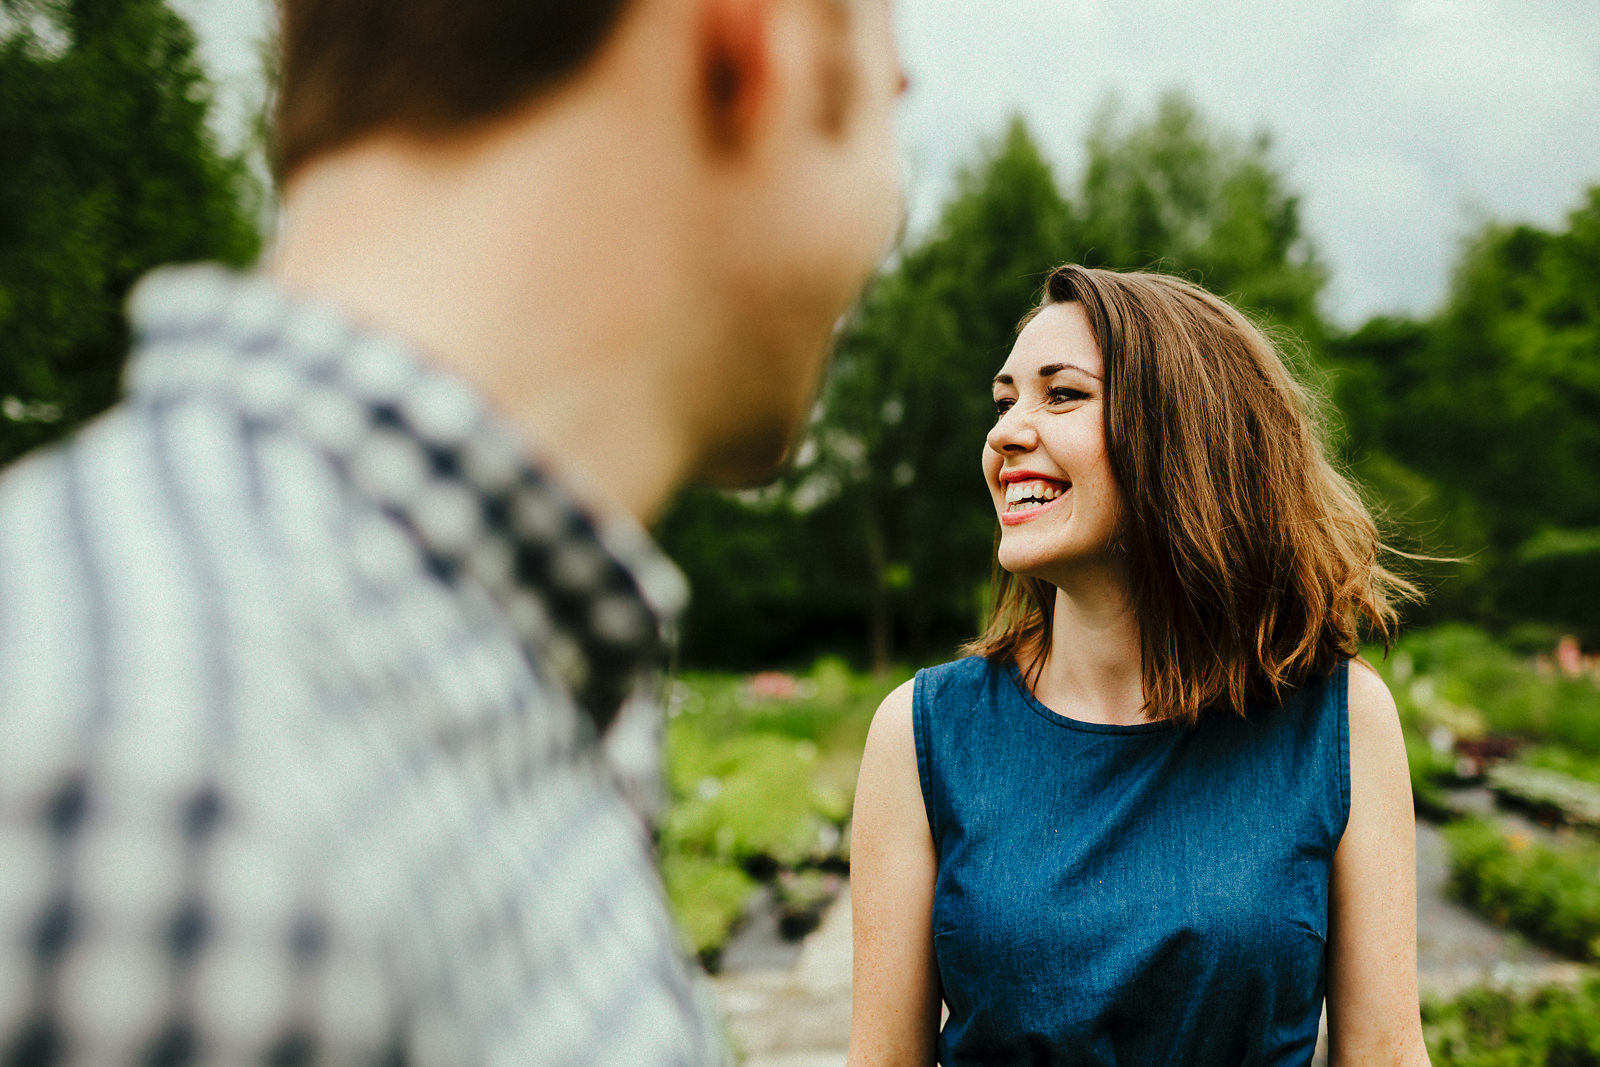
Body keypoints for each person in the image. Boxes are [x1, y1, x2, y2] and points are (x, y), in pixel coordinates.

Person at [0, 0, 904, 1062]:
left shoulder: (461, 671)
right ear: (748, 41)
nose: (889, 214)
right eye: (891, 101)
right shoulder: (166, 819)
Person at [847, 265, 1431, 1066]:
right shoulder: (924, 734)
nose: (1005, 433)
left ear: (1186, 433)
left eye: (1061, 395)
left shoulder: (1339, 720)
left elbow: (1387, 1054)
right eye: (1004, 401)